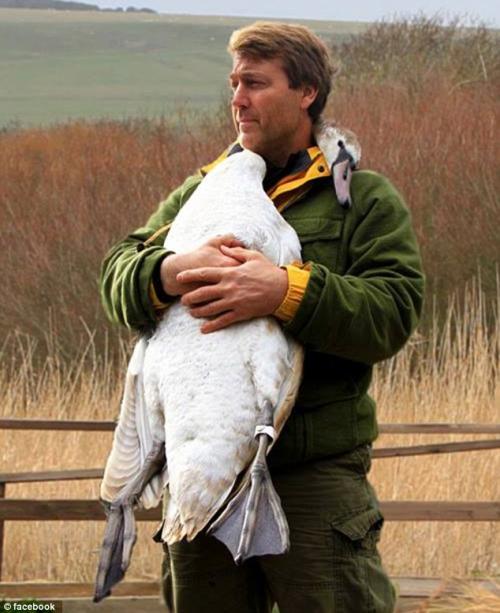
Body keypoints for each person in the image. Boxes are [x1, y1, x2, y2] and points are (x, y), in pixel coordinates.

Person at [100, 21, 424, 613]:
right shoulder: (200, 195)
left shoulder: (364, 200)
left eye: (255, 82)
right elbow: (115, 276)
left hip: (311, 480)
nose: (237, 100)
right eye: (233, 83)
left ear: (306, 93)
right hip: (200, 472)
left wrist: (284, 291)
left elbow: (392, 313)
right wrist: (169, 272)